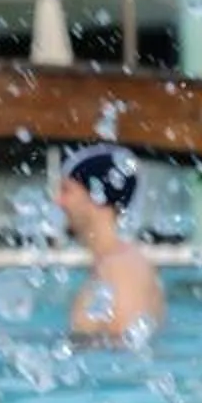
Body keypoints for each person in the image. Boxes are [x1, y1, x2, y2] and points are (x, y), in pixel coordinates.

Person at [58, 142, 164, 345]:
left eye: (67, 190)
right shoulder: (112, 263)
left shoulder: (121, 268)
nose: (58, 201)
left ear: (96, 194)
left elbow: (128, 355)